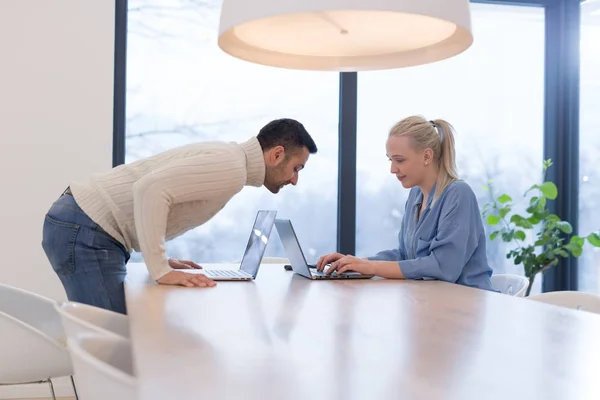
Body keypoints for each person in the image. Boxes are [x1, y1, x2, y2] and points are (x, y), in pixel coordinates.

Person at [42, 118, 318, 314]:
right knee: (114, 346)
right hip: (86, 228)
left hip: (85, 224)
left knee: (121, 342)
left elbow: (152, 190)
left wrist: (161, 256)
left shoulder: (229, 158)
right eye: (297, 168)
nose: (294, 180)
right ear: (277, 154)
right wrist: (160, 268)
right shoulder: (231, 167)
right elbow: (149, 189)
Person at [317, 116, 494, 291]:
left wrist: (370, 267)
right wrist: (357, 263)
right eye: (390, 160)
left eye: (399, 160)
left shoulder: (458, 194)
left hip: (467, 305)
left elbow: (443, 267)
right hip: (430, 302)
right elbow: (405, 255)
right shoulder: (415, 195)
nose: (393, 169)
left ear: (427, 156)